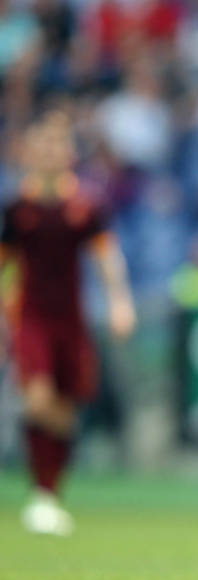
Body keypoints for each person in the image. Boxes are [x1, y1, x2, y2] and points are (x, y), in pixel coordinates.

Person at [1, 112, 137, 535]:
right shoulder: (17, 207)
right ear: (28, 152)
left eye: (57, 144)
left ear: (69, 153)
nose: (49, 152)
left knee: (63, 412)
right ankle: (42, 495)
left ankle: (49, 496)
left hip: (71, 320)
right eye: (42, 144)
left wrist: (119, 302)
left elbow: (105, 256)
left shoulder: (85, 205)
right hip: (30, 317)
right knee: (37, 401)